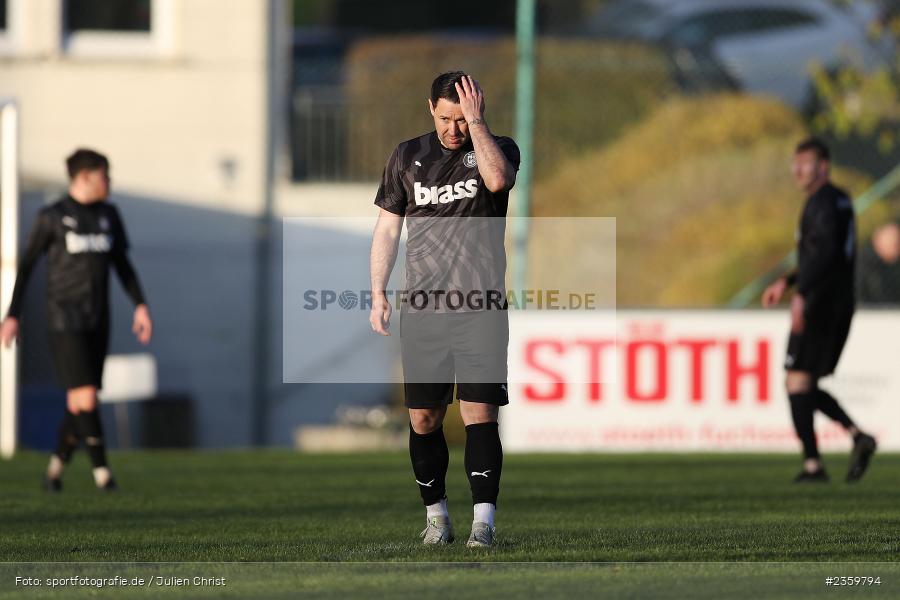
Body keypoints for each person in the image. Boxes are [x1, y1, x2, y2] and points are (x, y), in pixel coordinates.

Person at [369, 72, 519, 547]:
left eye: (462, 118)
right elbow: (389, 228)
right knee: (424, 419)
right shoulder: (407, 156)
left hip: (480, 307)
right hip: (424, 309)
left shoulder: (498, 148)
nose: (453, 129)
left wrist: (478, 124)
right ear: (429, 108)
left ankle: (484, 524)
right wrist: (378, 290)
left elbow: (498, 180)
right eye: (445, 118)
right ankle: (437, 517)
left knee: (480, 412)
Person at [0, 148, 152, 491]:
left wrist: (140, 305)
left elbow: (122, 265)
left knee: (80, 402)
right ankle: (103, 475)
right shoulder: (52, 217)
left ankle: (54, 471)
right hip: (63, 318)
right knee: (84, 396)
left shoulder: (109, 215)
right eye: (104, 175)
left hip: (98, 318)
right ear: (84, 177)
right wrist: (12, 315)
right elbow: (25, 268)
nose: (109, 182)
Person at [762, 138, 876, 483]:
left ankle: (817, 463)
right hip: (838, 299)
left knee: (797, 380)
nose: (797, 171)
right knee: (802, 382)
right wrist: (788, 281)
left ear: (822, 166)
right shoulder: (838, 201)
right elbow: (821, 254)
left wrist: (802, 294)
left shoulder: (823, 202)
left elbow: (823, 254)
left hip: (822, 301)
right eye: (794, 164)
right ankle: (854, 439)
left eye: (805, 164)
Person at [857, 221, 900, 305]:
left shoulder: (891, 267)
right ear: (878, 239)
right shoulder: (863, 266)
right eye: (895, 243)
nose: (897, 248)